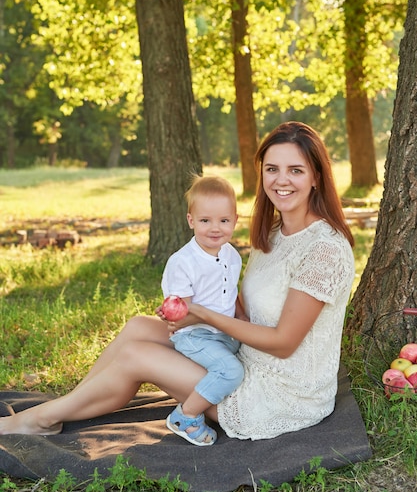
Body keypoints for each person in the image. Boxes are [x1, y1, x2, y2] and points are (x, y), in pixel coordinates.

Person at [0, 121, 355, 444]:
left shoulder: (324, 250)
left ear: (316, 177)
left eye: (295, 170)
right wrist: (197, 313)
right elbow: (243, 304)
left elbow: (283, 344)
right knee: (139, 327)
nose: (281, 180)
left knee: (137, 355)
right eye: (272, 169)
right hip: (245, 354)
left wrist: (200, 314)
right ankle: (67, 406)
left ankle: (42, 419)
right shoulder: (275, 233)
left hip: (281, 393)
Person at [161, 175, 244, 446]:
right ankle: (186, 415)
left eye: (224, 220)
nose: (215, 228)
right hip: (194, 335)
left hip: (224, 333)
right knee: (231, 372)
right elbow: (182, 313)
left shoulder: (232, 255)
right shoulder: (183, 262)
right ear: (191, 221)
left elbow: (231, 290)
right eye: (205, 220)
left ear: (235, 220)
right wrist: (174, 313)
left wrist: (242, 318)